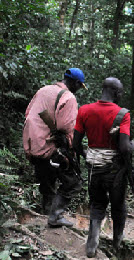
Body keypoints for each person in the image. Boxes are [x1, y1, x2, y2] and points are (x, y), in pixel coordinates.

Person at [73, 77, 133, 258]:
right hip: (115, 171)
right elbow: (124, 147)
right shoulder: (123, 114)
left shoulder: (84, 110)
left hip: (94, 168)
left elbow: (76, 143)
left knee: (97, 204)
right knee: (118, 206)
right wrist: (133, 146)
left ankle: (92, 244)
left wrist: (88, 156)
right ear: (116, 93)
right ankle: (117, 243)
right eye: (121, 92)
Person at [23, 68, 86, 227]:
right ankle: (55, 217)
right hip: (50, 147)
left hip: (32, 144)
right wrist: (73, 148)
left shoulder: (43, 90)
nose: (79, 89)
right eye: (79, 86)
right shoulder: (68, 97)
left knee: (48, 183)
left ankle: (47, 217)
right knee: (74, 183)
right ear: (76, 83)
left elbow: (28, 112)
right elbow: (66, 126)